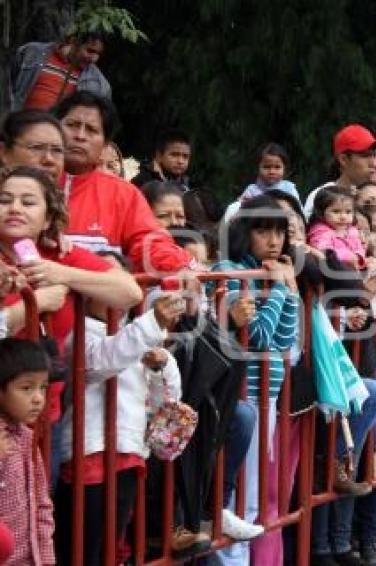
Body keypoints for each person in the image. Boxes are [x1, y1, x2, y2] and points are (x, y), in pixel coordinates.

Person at [54, 286, 185, 566]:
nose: (119, 295)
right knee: (82, 549)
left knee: (108, 547)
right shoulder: (79, 334)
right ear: (88, 294)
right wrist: (151, 324)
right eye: (110, 286)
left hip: (127, 454)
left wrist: (161, 366)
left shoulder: (138, 336)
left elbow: (168, 400)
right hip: (89, 452)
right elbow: (103, 360)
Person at [0, 166, 143, 422]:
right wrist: (35, 305)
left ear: (47, 219)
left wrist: (64, 275)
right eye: (4, 200)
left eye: (28, 202)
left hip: (44, 416)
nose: (15, 208)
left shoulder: (61, 255)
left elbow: (130, 292)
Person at [213, 195, 301, 565]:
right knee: (233, 497)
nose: (274, 239)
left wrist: (285, 290)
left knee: (251, 497)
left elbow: (284, 343)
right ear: (244, 232)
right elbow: (259, 338)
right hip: (241, 393)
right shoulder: (231, 269)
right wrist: (282, 289)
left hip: (268, 393)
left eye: (279, 231)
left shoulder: (271, 273)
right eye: (263, 230)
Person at [47, 91, 195, 273]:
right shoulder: (25, 183)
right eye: (72, 125)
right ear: (53, 129)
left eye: (91, 130)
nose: (80, 136)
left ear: (105, 144)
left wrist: (179, 266)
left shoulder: (123, 193)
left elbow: (149, 242)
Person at [0, 338, 54, 565]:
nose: (38, 398)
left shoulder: (27, 438)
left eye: (43, 387)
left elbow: (41, 503)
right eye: (26, 388)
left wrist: (46, 558)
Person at [10, 31, 110, 111]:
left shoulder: (99, 84)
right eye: (90, 51)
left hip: (56, 134)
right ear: (74, 42)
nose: (94, 59)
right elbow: (9, 86)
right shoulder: (33, 52)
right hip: (19, 128)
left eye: (98, 54)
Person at [303, 123, 376, 219]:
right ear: (343, 159)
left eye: (374, 155)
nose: (373, 163)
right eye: (365, 156)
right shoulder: (321, 195)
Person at [307, 185, 367, 269]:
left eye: (348, 212)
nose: (343, 217)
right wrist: (348, 257)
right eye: (336, 211)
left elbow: (359, 247)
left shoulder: (352, 230)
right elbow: (324, 251)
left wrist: (358, 257)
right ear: (321, 212)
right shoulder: (319, 231)